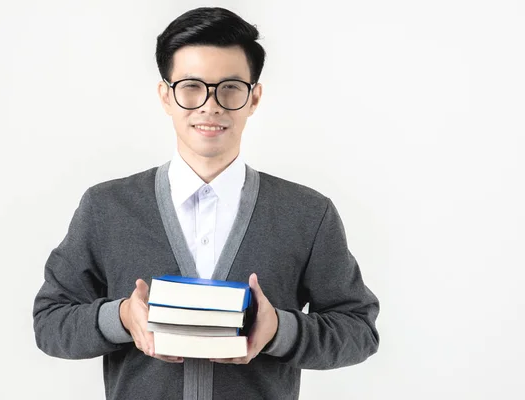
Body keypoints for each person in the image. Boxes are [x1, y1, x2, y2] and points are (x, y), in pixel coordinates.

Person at [33, 6, 379, 400]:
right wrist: (123, 318)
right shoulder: (106, 208)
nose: (210, 105)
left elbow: (358, 329)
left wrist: (280, 330)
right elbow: (50, 321)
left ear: (254, 97)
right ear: (166, 95)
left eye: (230, 87)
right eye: (191, 86)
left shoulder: (307, 214)